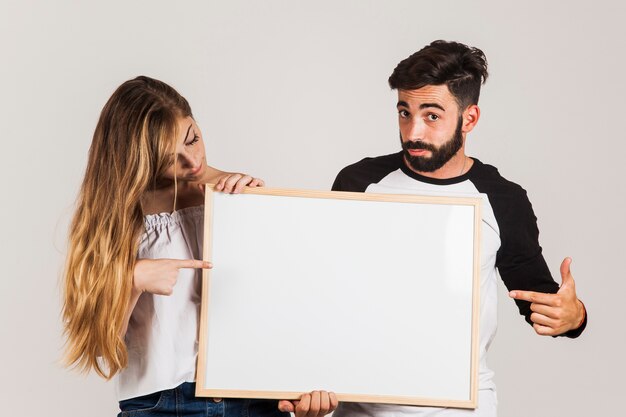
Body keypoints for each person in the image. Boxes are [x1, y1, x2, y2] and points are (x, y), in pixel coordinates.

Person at [331, 40, 587, 417]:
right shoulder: (359, 182)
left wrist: (575, 315)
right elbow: (324, 288)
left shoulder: (502, 199)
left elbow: (541, 304)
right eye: (405, 112)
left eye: (431, 115)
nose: (413, 131)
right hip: (359, 405)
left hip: (461, 407)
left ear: (469, 119)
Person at [62, 76, 337, 417]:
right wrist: (131, 278)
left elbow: (291, 304)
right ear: (138, 160)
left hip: (253, 398)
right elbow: (100, 346)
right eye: (169, 158)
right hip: (163, 404)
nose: (193, 161)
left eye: (192, 139)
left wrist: (259, 213)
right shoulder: (116, 219)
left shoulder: (237, 195)